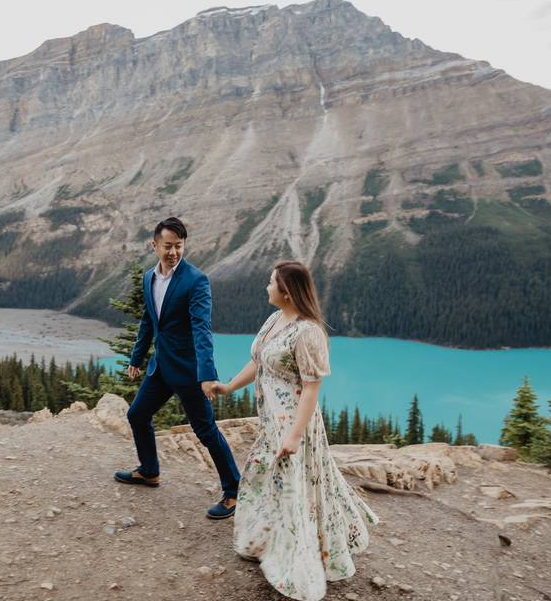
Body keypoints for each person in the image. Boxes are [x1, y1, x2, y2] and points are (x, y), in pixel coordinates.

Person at [213, 261, 379, 601]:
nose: (267, 286)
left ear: (287, 291)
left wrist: (294, 436)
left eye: (271, 282)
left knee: (292, 489)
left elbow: (312, 388)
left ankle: (298, 557)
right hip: (271, 422)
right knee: (263, 478)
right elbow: (259, 361)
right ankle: (265, 541)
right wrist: (229, 387)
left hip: (293, 425)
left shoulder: (308, 332)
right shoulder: (275, 319)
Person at [114, 216, 241, 519]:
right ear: (154, 245)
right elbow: (149, 321)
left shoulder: (196, 280)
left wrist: (207, 374)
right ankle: (149, 471)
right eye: (167, 246)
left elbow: (202, 329)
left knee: (205, 430)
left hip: (188, 372)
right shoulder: (149, 278)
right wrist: (136, 357)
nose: (173, 252)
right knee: (137, 414)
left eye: (179, 246)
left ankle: (234, 492)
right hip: (160, 369)